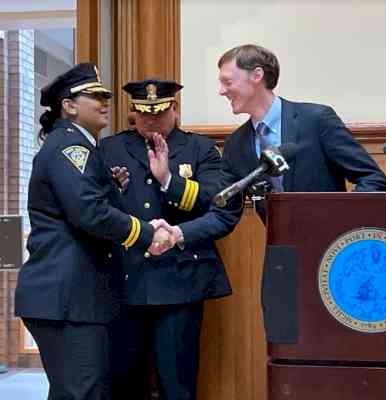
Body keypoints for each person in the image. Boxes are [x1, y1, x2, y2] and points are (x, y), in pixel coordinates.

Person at [14, 64, 171, 400]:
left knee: (75, 392)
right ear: (68, 105)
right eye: (95, 96)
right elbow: (90, 213)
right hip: (68, 298)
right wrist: (147, 232)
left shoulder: (77, 147)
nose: (104, 103)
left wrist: (110, 187)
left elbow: (80, 204)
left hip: (73, 298)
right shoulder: (71, 147)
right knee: (84, 393)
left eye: (106, 97)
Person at [166, 43, 386, 245]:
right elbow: (223, 214)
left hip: (336, 251)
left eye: (227, 82)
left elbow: (372, 178)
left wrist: (341, 222)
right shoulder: (236, 145)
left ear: (257, 75)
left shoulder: (316, 120)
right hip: (280, 256)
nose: (222, 91)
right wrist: (177, 233)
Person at [99, 78, 232, 400]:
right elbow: (96, 208)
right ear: (133, 112)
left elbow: (217, 205)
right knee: (124, 382)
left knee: (177, 384)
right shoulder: (111, 148)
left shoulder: (201, 149)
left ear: (175, 108)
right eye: (144, 114)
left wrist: (169, 181)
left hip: (180, 281)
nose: (151, 120)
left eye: (159, 113)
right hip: (124, 282)